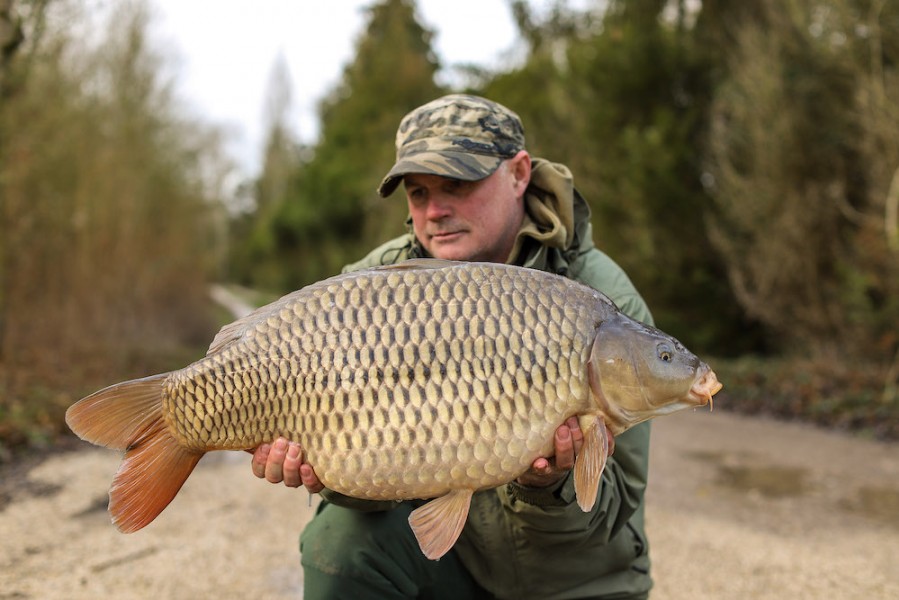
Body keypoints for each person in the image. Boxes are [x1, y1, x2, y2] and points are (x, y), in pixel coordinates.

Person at [251, 94, 655, 599]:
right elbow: (368, 472)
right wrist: (326, 471)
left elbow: (611, 516)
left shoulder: (602, 306)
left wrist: (546, 485)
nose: (436, 211)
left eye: (457, 185)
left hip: (576, 582)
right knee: (340, 542)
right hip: (452, 567)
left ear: (519, 173)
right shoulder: (373, 288)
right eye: (418, 194)